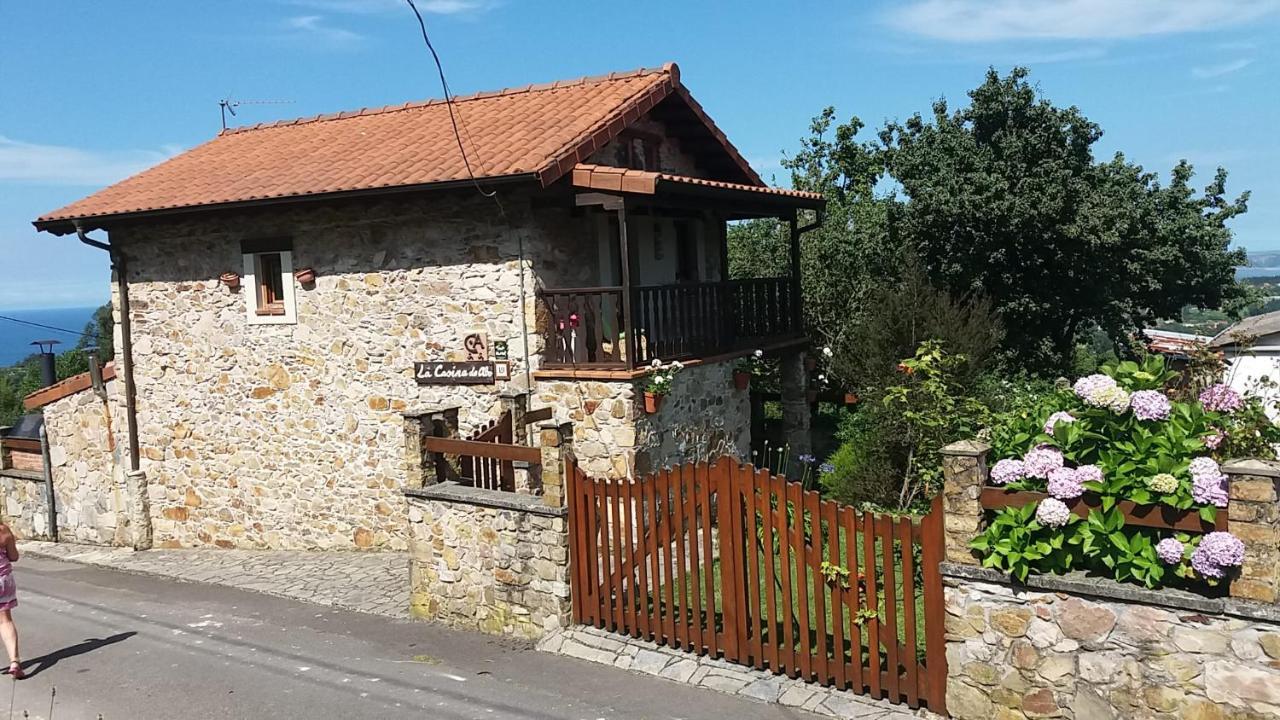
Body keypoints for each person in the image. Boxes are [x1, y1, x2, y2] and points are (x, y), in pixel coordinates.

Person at [0, 522, 21, 679]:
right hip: (4, 580)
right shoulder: (4, 529)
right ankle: (14, 662)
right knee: (5, 620)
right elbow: (14, 556)